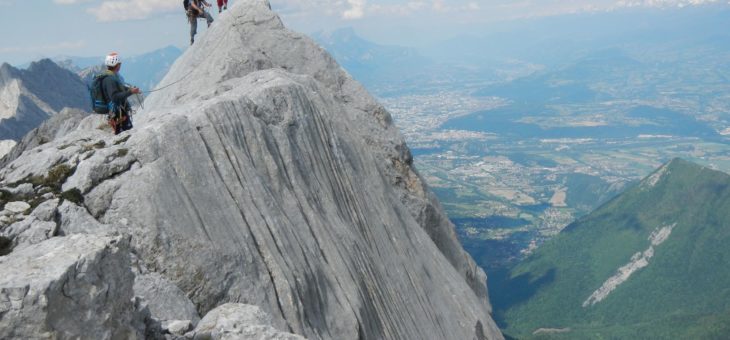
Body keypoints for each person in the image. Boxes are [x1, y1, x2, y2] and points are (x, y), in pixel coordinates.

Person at [101, 53, 139, 135]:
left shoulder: (112, 76)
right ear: (116, 64)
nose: (120, 65)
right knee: (126, 136)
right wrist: (130, 92)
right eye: (119, 63)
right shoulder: (109, 79)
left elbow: (120, 88)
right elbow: (114, 97)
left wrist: (131, 89)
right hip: (118, 115)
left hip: (119, 113)